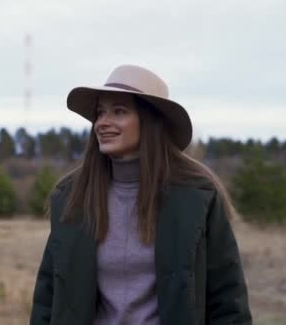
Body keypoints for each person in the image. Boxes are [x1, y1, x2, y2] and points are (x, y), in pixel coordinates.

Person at [30, 65, 252, 325]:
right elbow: (48, 296)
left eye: (119, 111)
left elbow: (227, 299)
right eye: (100, 113)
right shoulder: (72, 197)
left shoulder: (197, 197)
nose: (102, 122)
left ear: (150, 121)